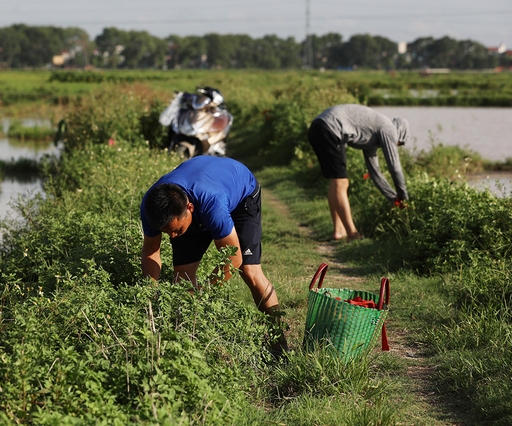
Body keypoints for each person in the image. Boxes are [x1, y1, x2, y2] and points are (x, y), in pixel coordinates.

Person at [140, 156, 287, 350]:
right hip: (201, 191)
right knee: (182, 279)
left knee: (249, 271)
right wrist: (150, 294)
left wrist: (205, 291)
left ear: (190, 208)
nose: (173, 237)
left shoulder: (212, 204)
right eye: (167, 231)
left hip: (242, 193)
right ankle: (187, 340)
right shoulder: (151, 208)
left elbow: (233, 259)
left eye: (176, 230)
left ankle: (279, 342)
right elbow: (151, 250)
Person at [308, 104, 409, 241]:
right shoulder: (388, 128)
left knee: (336, 182)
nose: (395, 146)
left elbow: (375, 173)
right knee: (341, 182)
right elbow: (394, 167)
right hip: (330, 129)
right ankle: (352, 234)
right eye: (399, 144)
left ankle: (338, 231)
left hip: (319, 127)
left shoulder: (373, 135)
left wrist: (393, 197)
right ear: (399, 134)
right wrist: (403, 196)